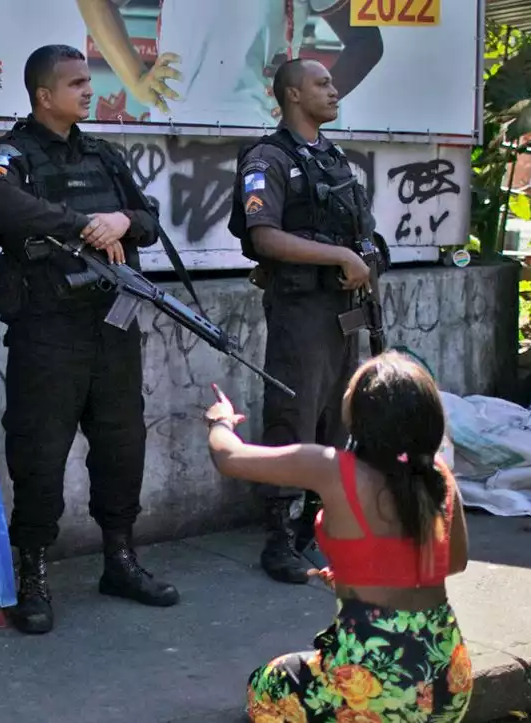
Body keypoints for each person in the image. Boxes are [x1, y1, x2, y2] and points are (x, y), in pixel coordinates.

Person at [0, 43, 180, 635]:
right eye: (76, 84)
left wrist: (119, 221)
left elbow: (147, 219)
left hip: (112, 327)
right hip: (48, 332)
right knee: (39, 454)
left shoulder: (105, 155)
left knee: (122, 446)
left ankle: (120, 560)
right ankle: (32, 574)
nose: (88, 91)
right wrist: (81, 226)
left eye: (88, 82)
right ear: (44, 95)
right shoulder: (9, 154)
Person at [205, 351, 473, 722]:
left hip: (379, 688)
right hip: (449, 680)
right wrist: (361, 572)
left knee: (268, 687)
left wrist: (221, 422)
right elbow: (454, 561)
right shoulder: (437, 473)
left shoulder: (333, 469)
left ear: (365, 414)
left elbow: (230, 458)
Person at [224, 57, 383, 586]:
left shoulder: (333, 159)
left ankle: (319, 531)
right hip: (300, 313)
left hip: (343, 314)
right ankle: (280, 538)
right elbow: (263, 237)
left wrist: (365, 259)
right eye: (322, 83)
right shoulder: (267, 159)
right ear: (293, 95)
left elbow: (364, 234)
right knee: (294, 419)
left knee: (336, 423)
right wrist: (338, 258)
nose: (334, 90)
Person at [76, 0, 382, 124]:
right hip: (177, 132)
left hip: (268, 139)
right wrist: (136, 80)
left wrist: (311, 105)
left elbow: (366, 43)